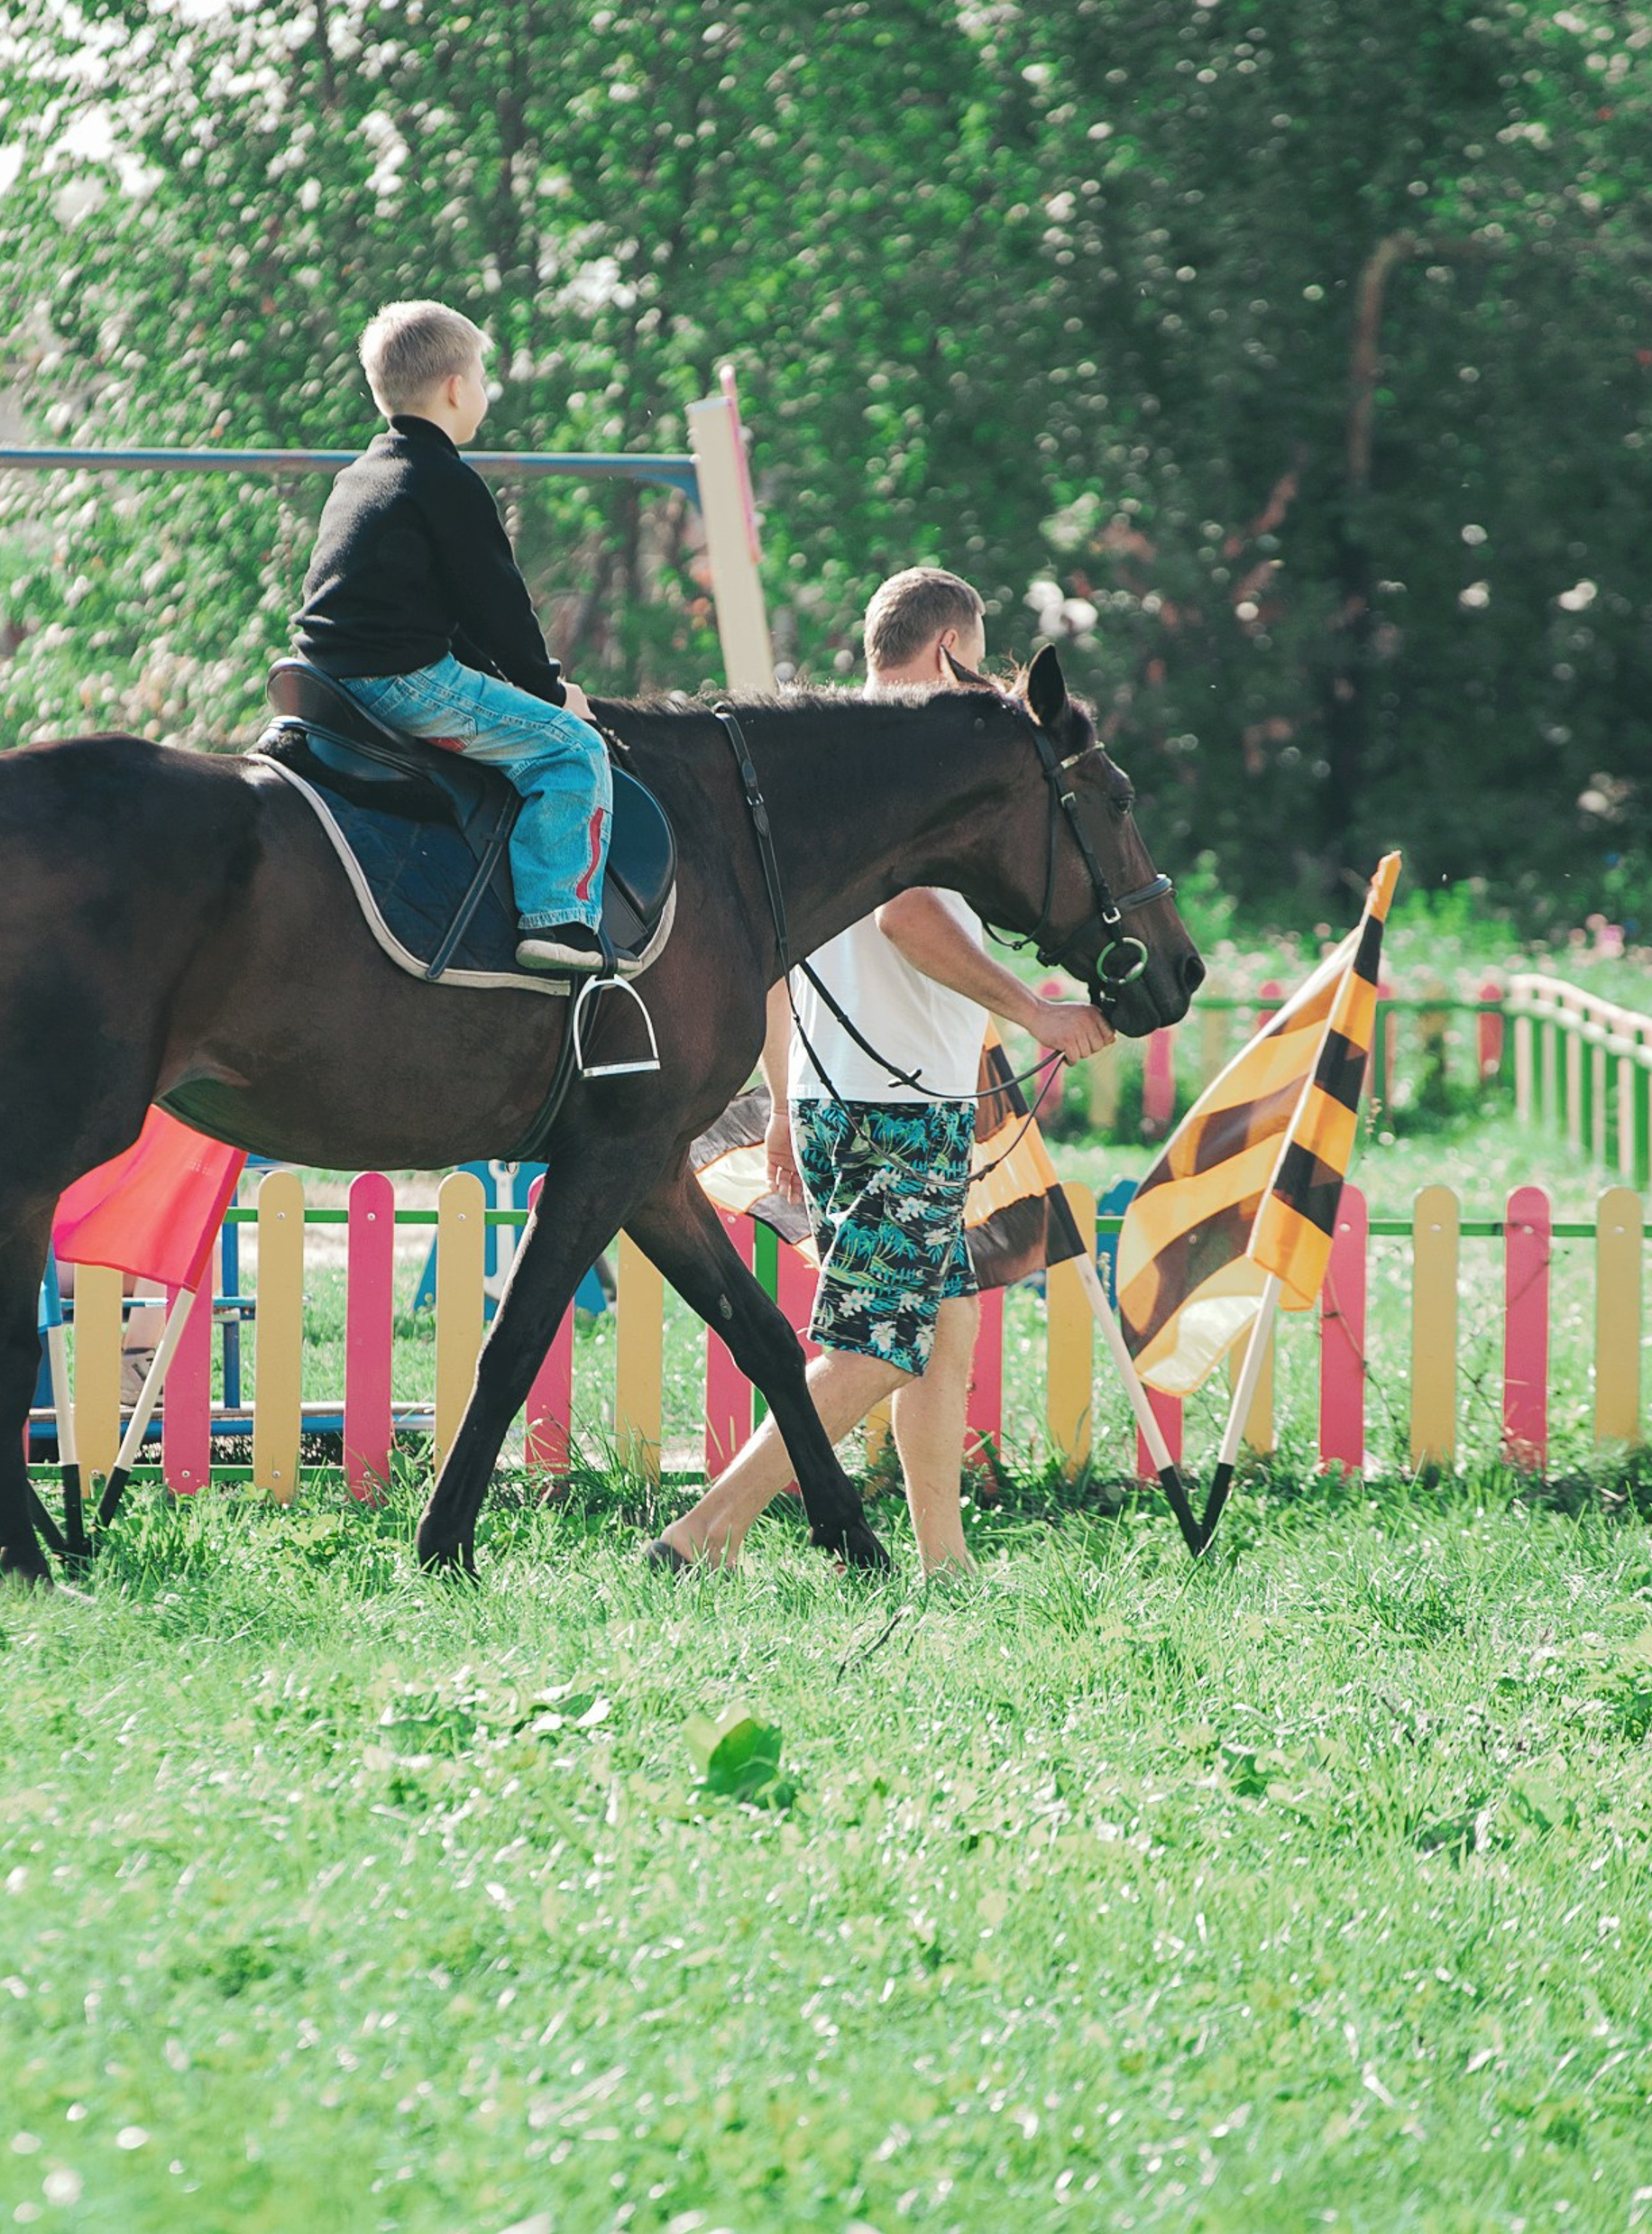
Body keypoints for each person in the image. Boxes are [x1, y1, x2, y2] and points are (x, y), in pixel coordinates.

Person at [652, 568, 1115, 1577]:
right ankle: (703, 1535)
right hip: (894, 1098)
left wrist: (783, 1100)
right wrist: (1035, 1009)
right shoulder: (916, 760)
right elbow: (907, 913)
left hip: (848, 1087)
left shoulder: (820, 750)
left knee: (943, 1331)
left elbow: (772, 955)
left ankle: (943, 1563)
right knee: (876, 1347)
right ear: (950, 647)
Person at [293, 299, 613, 976]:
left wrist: (506, 685)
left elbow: (444, 614)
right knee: (573, 753)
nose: (485, 392)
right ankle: (559, 919)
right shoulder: (447, 481)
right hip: (399, 681)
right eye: (483, 377)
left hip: (322, 677)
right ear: (456, 388)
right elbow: (499, 611)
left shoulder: (360, 476)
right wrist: (552, 695)